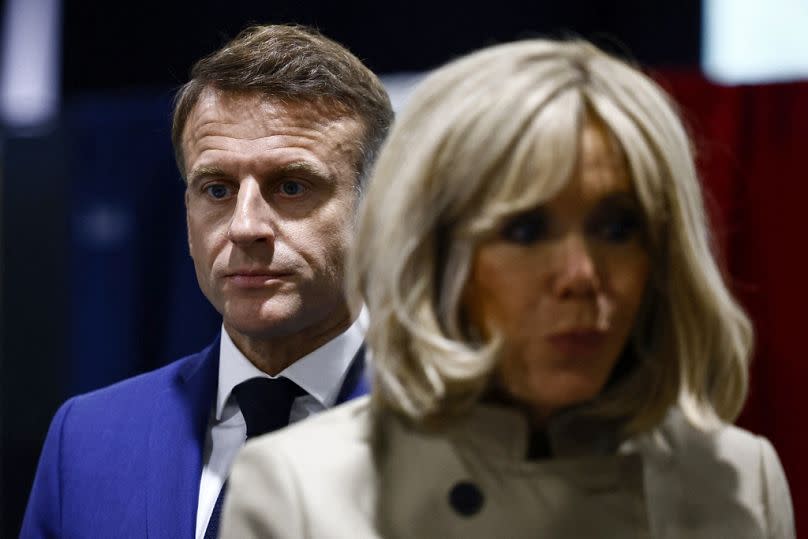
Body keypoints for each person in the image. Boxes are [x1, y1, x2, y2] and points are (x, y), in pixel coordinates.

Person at [220, 38, 795, 538]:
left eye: (618, 228)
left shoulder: (740, 480)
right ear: (435, 254)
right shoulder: (299, 490)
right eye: (526, 230)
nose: (581, 276)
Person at [21, 24, 393, 539]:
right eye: (217, 189)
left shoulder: (464, 434)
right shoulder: (85, 439)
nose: (244, 226)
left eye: (290, 185)